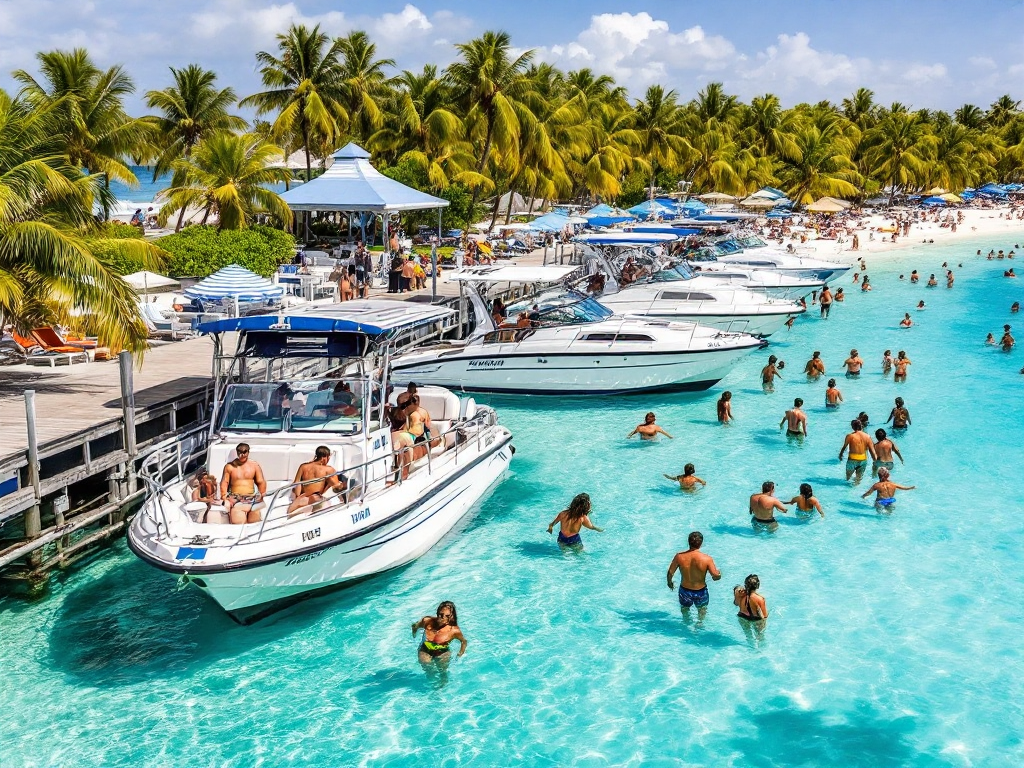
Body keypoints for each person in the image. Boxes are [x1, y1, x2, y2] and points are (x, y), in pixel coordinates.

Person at [666, 531, 721, 620]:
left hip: (684, 591)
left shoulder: (679, 557)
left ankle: (686, 624)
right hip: (701, 592)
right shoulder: (707, 559)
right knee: (702, 610)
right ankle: (699, 625)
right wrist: (720, 574)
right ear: (701, 544)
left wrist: (670, 583)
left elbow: (670, 572)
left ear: (688, 542)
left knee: (685, 610)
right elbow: (715, 577)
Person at [287, 446, 348, 515]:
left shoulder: (303, 466)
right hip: (316, 499)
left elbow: (297, 484)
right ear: (324, 457)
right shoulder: (328, 470)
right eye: (328, 458)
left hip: (302, 499)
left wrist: (298, 498)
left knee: (290, 512)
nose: (328, 461)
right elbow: (337, 487)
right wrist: (344, 484)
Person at [220, 443, 267, 524]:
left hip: (252, 499)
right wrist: (224, 497)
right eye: (239, 452)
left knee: (255, 526)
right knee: (239, 525)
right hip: (236, 499)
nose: (242, 454)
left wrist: (262, 495)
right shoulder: (229, 467)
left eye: (244, 452)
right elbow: (224, 482)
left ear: (248, 452)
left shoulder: (254, 465)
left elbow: (261, 481)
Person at [412, 601, 467, 669]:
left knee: (443, 673)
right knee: (428, 668)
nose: (443, 618)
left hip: (443, 652)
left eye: (447, 616)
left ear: (451, 616)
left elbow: (463, 641)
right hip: (425, 649)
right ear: (437, 612)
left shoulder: (454, 630)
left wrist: (459, 655)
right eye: (441, 614)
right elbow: (415, 626)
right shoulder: (427, 621)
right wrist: (414, 636)